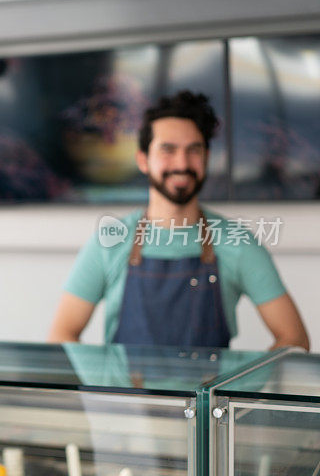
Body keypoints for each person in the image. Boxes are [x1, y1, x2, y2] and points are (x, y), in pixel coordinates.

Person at [49, 90, 309, 350]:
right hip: (124, 393)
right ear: (143, 159)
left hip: (211, 392)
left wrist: (242, 387)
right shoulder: (110, 241)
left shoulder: (237, 243)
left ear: (206, 158)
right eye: (168, 150)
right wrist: (106, 383)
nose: (182, 163)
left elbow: (295, 340)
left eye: (193, 150)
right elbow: (62, 335)